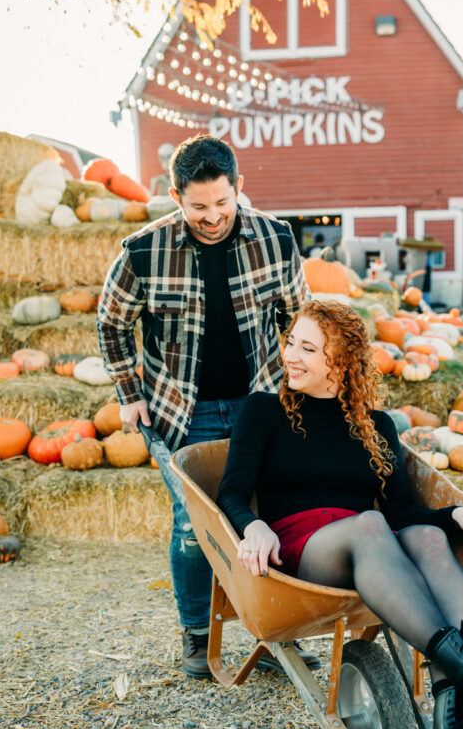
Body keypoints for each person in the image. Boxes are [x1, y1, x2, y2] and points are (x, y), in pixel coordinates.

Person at [217, 301, 463, 729]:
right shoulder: (264, 410)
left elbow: (402, 513)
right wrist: (253, 528)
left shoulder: (376, 425)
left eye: (308, 348)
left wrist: (453, 518)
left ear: (342, 362)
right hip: (305, 549)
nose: (291, 355)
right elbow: (230, 491)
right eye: (291, 342)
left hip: (375, 548)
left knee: (425, 538)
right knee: (371, 524)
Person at [97, 135, 319, 679]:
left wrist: (307, 388)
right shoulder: (143, 252)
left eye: (223, 203)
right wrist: (129, 394)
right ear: (175, 195)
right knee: (193, 528)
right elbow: (110, 322)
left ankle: (276, 632)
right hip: (182, 409)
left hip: (260, 402)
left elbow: (300, 317)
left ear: (239, 188)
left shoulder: (276, 239)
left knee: (266, 515)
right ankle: (197, 636)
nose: (213, 216)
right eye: (198, 207)